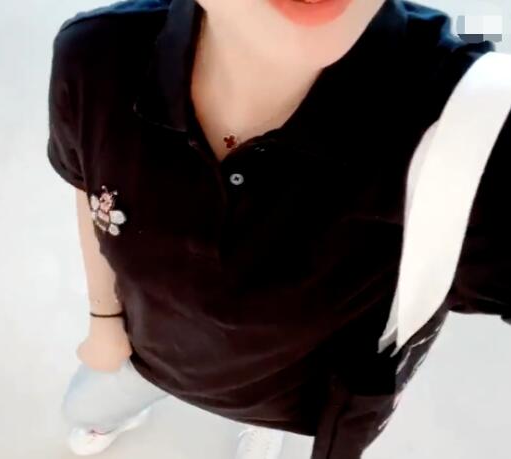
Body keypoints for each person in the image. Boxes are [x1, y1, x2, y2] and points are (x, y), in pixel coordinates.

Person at [46, 0, 511, 457]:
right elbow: (90, 190)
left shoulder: (464, 132)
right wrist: (103, 321)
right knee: (84, 408)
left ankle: (258, 429)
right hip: (143, 357)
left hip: (289, 397)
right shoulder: (97, 58)